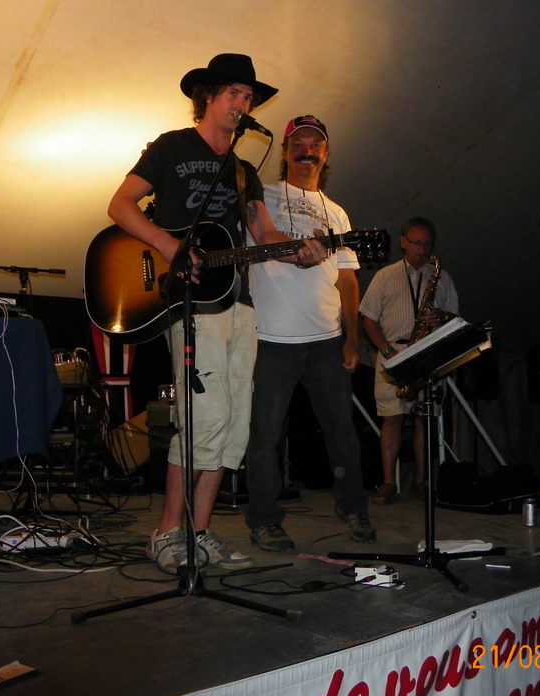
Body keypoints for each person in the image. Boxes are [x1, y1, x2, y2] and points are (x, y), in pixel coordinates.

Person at [107, 54, 327, 574]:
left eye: (248, 97)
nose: (242, 104)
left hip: (239, 302)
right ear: (207, 97)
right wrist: (170, 246)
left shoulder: (243, 172)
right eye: (234, 93)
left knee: (233, 425)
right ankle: (167, 533)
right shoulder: (171, 147)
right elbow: (120, 206)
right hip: (191, 301)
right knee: (202, 420)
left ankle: (199, 534)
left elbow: (265, 234)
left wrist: (301, 250)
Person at [244, 115, 373, 552]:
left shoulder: (336, 212)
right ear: (284, 152)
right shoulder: (261, 195)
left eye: (315, 144)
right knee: (265, 435)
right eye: (298, 144)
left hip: (326, 339)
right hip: (271, 337)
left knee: (342, 431)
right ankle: (264, 520)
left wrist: (351, 337)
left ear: (326, 153)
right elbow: (258, 239)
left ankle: (354, 508)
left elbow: (348, 278)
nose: (307, 151)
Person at [359, 216, 459, 503]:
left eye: (427, 244)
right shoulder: (385, 276)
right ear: (402, 242)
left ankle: (421, 482)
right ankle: (389, 483)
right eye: (416, 243)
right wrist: (387, 352)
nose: (422, 250)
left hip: (428, 353)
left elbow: (455, 317)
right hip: (393, 352)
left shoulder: (441, 277)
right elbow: (368, 320)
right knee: (391, 418)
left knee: (423, 419)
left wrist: (441, 317)